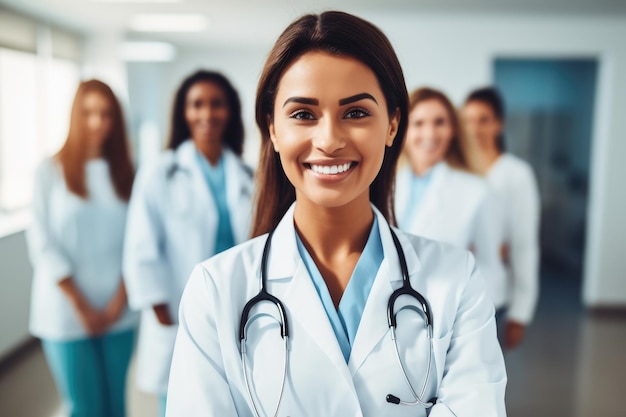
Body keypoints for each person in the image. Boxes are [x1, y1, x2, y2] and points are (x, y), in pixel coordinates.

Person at [166, 11, 506, 417]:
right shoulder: (214, 290)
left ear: (393, 125)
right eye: (303, 114)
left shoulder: (457, 280)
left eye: (356, 112)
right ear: (273, 129)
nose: (329, 140)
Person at [123, 70, 254, 416]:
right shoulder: (160, 172)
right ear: (184, 112)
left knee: (232, 401)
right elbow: (141, 250)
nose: (207, 114)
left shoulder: (246, 174)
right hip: (177, 313)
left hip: (235, 311)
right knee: (181, 402)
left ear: (230, 111)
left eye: (217, 104)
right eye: (197, 104)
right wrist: (166, 318)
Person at [27, 79, 136, 417]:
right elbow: (43, 244)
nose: (96, 122)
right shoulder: (50, 172)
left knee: (115, 406)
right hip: (66, 312)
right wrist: (82, 306)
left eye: (105, 114)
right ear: (75, 115)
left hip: (119, 310)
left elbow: (139, 242)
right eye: (88, 112)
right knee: (84, 408)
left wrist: (119, 300)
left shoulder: (128, 174)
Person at [396, 87, 505, 311]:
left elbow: (489, 266)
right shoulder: (384, 185)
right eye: (418, 123)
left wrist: (472, 321)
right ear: (402, 130)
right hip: (394, 311)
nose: (429, 134)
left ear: (453, 130)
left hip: (453, 313)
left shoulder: (477, 191)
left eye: (439, 122)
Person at [462, 86, 540, 350]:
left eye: (483, 120)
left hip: (493, 293)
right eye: (468, 120)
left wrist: (521, 312)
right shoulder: (456, 170)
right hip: (454, 291)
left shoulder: (516, 174)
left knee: (483, 377)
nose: (475, 129)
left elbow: (523, 243)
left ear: (499, 124)